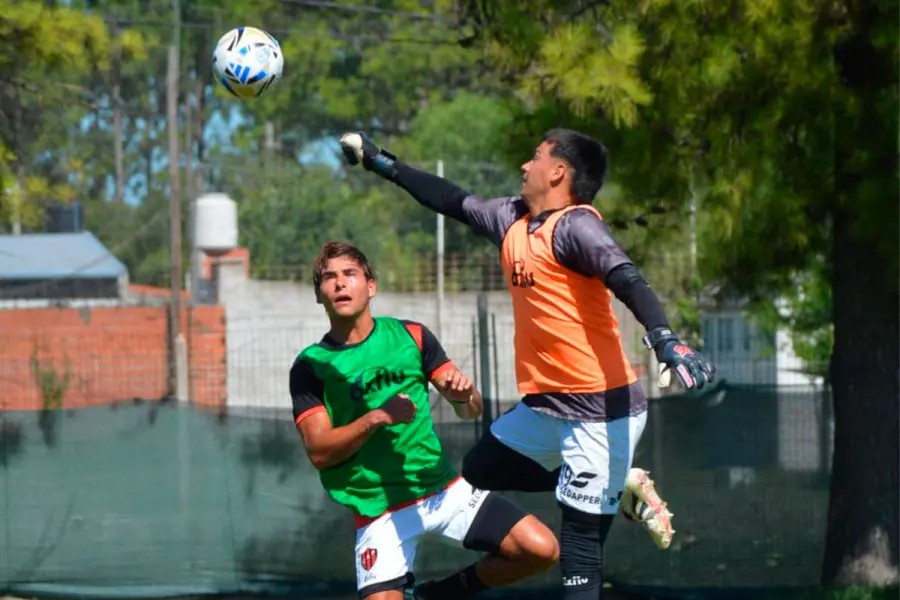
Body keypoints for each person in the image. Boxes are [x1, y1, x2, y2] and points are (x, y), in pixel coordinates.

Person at [338, 130, 716, 599]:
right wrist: (385, 165)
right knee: (479, 469)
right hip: (545, 406)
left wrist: (665, 340)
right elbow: (454, 200)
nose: (524, 165)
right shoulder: (512, 219)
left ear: (558, 171)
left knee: (579, 563)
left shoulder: (577, 227)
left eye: (535, 157)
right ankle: (619, 481)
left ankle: (444, 594)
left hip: (601, 413)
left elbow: (627, 278)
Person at [290, 241, 560, 600]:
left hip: (443, 492)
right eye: (329, 277)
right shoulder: (311, 365)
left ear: (371, 286)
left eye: (350, 274)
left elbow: (471, 410)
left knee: (541, 549)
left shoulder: (411, 335)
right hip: (379, 512)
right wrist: (376, 418)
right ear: (319, 295)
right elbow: (320, 452)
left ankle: (438, 595)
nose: (340, 283)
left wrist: (464, 396)